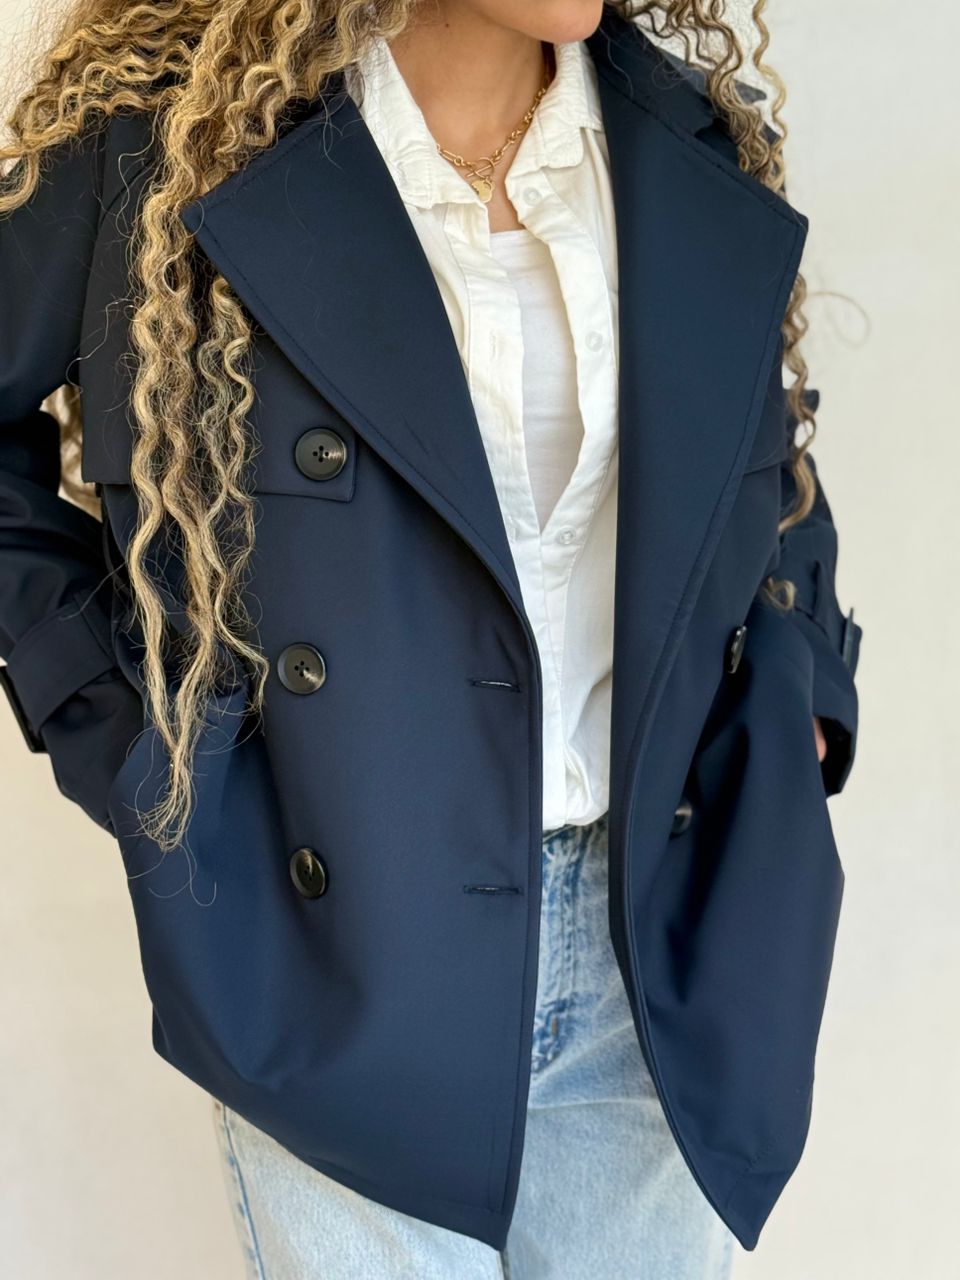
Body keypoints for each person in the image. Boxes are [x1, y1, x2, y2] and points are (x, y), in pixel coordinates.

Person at [0, 1, 863, 1275]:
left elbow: (761, 457)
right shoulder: (167, 146)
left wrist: (804, 698)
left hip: (659, 948)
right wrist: (132, 734)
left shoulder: (682, 139)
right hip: (348, 956)